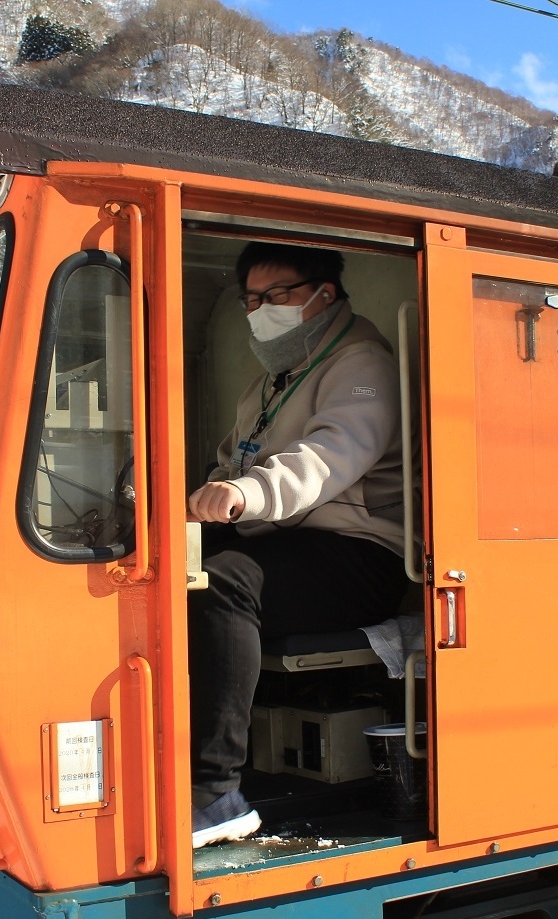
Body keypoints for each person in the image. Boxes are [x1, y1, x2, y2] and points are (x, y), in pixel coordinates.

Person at [187, 242, 409, 848]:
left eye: (277, 296)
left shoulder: (362, 365)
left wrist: (244, 495)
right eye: (252, 300)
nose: (261, 310)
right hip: (286, 538)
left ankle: (215, 793)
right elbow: (229, 461)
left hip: (358, 551)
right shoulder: (268, 385)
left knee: (222, 582)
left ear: (323, 295)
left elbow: (329, 458)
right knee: (162, 566)